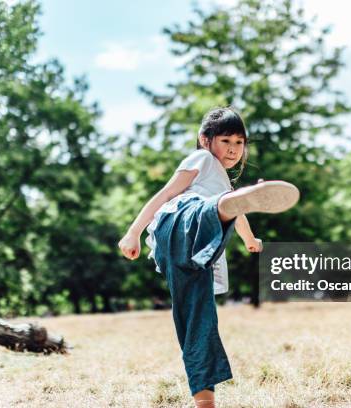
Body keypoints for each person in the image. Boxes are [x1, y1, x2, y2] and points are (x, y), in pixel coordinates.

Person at [118, 107, 299, 407]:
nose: (232, 148)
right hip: (178, 222)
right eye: (226, 140)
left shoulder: (223, 186)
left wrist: (250, 239)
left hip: (193, 250)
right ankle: (234, 201)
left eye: (239, 143)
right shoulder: (201, 159)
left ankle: (204, 398)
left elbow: (235, 216)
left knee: (198, 318)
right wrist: (133, 231)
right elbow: (165, 195)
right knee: (214, 207)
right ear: (205, 140)